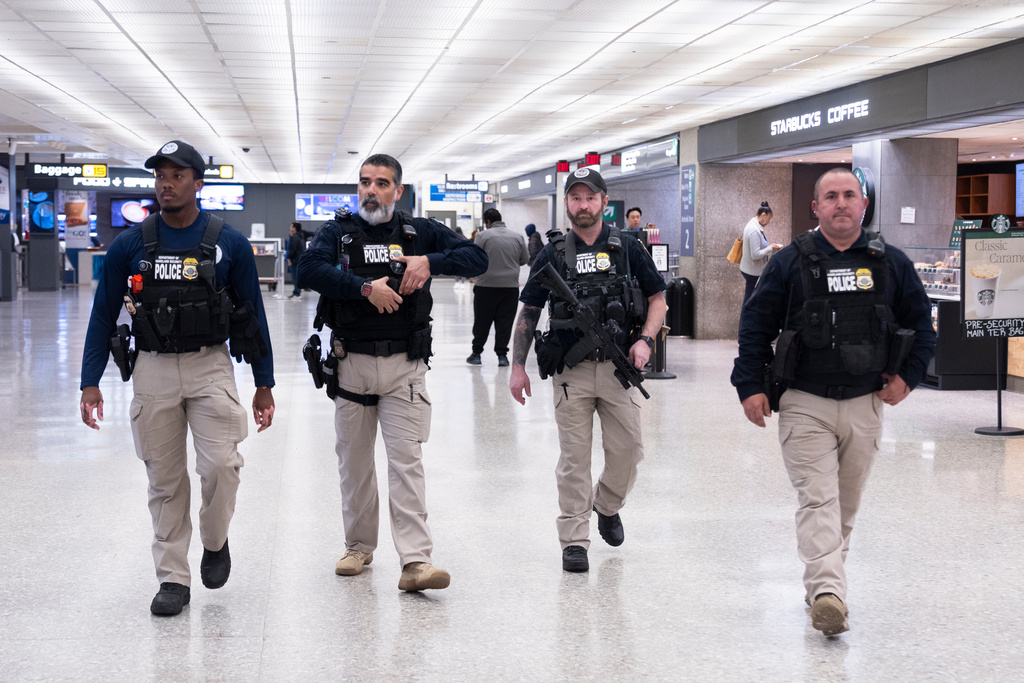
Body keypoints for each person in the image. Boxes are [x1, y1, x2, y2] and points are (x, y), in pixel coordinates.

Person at [731, 168, 936, 637]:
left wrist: (910, 376)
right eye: (831, 196)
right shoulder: (789, 263)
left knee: (845, 504)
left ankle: (825, 586)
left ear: (863, 204)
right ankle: (829, 593)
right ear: (816, 207)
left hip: (867, 401)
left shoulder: (891, 263)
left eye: (849, 195)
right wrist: (750, 385)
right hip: (805, 400)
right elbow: (755, 326)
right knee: (818, 499)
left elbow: (921, 326)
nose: (841, 203)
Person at [78, 140, 276, 617]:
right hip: (153, 368)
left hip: (211, 365)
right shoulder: (131, 243)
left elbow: (254, 313)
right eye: (160, 176)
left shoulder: (228, 242)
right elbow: (103, 315)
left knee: (222, 467)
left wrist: (264, 383)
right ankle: (172, 578)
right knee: (164, 480)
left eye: (177, 175)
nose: (166, 184)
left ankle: (214, 540)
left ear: (198, 183)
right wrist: (89, 381)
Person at [298, 153, 487, 592]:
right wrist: (364, 288)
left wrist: (429, 263)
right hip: (351, 365)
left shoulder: (418, 231)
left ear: (397, 191)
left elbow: (475, 258)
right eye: (365, 182)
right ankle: (359, 547)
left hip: (405, 366)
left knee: (407, 464)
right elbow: (308, 269)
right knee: (355, 464)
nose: (371, 190)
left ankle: (416, 562)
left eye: (382, 183)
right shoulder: (339, 232)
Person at [509, 168, 667, 573]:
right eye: (575, 198)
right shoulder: (553, 252)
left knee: (630, 451)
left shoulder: (628, 247)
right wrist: (517, 366)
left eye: (590, 197)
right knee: (574, 459)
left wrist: (645, 341)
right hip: (571, 370)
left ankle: (607, 505)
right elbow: (529, 309)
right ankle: (574, 540)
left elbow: (658, 299)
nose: (583, 205)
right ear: (567, 203)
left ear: (603, 200)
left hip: (619, 368)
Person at [467, 208, 528, 367]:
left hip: (485, 287)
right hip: (510, 288)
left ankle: (476, 354)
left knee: (482, 321)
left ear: (487, 222)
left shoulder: (482, 236)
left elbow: (475, 257)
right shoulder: (517, 236)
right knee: (505, 322)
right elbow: (524, 259)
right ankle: (502, 356)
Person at [739, 201, 782, 306]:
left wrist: (769, 247)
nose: (768, 222)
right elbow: (755, 254)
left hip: (749, 269)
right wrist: (770, 248)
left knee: (750, 298)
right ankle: (746, 320)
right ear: (763, 215)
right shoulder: (754, 230)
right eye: (769, 218)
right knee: (750, 300)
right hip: (752, 272)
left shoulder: (753, 224)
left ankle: (747, 319)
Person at [287, 221, 306, 298]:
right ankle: (295, 292)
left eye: (291, 226)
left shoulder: (295, 237)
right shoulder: (299, 236)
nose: (290, 228)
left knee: (295, 277)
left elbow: (292, 249)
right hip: (298, 259)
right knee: (296, 277)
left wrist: (289, 258)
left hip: (295, 260)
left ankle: (297, 293)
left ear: (294, 228)